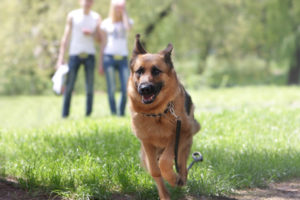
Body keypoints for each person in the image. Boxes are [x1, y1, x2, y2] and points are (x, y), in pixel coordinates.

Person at [56, 0, 103, 118]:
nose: (88, 3)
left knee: (89, 86)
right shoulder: (72, 15)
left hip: (90, 55)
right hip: (74, 55)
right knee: (69, 85)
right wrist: (60, 57)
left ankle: (88, 114)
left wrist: (92, 33)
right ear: (80, 1)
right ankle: (65, 115)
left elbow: (100, 39)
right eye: (86, 1)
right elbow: (65, 37)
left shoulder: (96, 17)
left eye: (90, 1)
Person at [99, 0, 133, 116]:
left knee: (126, 88)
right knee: (111, 87)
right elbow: (103, 44)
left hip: (123, 58)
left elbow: (128, 28)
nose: (119, 9)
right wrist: (100, 63)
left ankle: (121, 112)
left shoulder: (126, 22)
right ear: (113, 8)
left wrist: (124, 12)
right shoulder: (106, 23)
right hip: (109, 57)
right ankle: (113, 113)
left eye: (121, 7)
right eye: (117, 7)